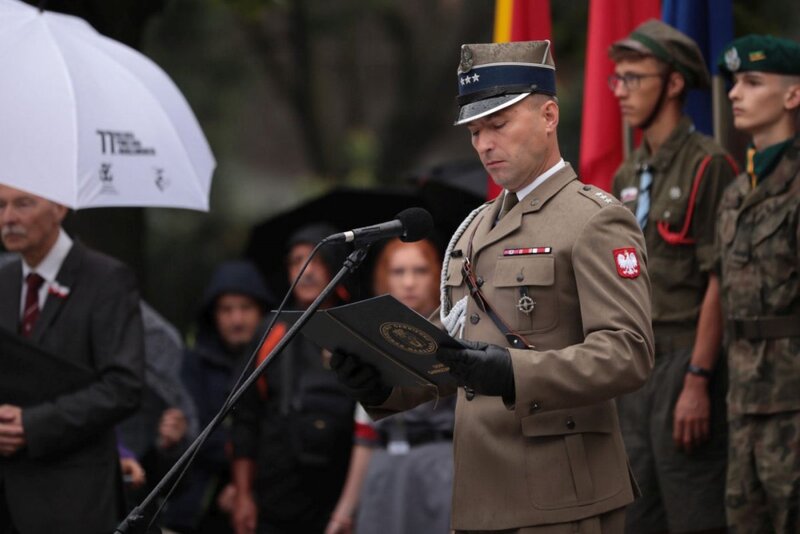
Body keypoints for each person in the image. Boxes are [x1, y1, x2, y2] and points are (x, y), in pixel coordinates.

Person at [331, 40, 654, 533]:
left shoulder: (595, 221)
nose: (483, 143)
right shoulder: (476, 228)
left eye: (498, 125)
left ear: (549, 116)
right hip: (479, 494)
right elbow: (452, 351)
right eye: (475, 130)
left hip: (561, 494)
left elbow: (628, 353)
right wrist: (385, 384)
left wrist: (513, 374)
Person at [608, 20, 738, 534]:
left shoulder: (710, 165)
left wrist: (699, 380)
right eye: (616, 79)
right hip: (634, 364)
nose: (620, 92)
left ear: (675, 83)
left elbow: (720, 281)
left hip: (686, 359)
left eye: (634, 78)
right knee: (634, 514)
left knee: (694, 510)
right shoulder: (626, 173)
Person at [0, 184, 144, 534]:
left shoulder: (107, 280)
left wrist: (33, 425)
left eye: (23, 204)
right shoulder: (3, 280)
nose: (8, 219)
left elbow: (123, 386)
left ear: (60, 207)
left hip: (73, 497)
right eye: (1, 206)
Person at [716, 34, 800, 534]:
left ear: (793, 95)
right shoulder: (736, 190)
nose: (733, 93)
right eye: (733, 83)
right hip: (743, 398)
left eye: (752, 82)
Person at [231, 224, 355, 534]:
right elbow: (245, 418)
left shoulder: (357, 326)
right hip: (275, 495)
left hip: (337, 493)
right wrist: (243, 495)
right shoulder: (272, 329)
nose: (305, 271)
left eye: (315, 260)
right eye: (296, 261)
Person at [326, 238, 455, 534]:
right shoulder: (369, 336)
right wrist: (344, 512)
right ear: (384, 277)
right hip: (384, 472)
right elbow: (365, 435)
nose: (409, 282)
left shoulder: (455, 328)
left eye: (420, 271)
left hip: (440, 467)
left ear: (436, 275)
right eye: (399, 272)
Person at [163, 260, 274, 534]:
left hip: (267, 499)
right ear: (213, 315)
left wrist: (245, 485)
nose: (236, 320)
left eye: (245, 308)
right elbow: (194, 429)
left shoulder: (277, 361)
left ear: (261, 310)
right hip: (195, 506)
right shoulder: (193, 364)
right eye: (226, 310)